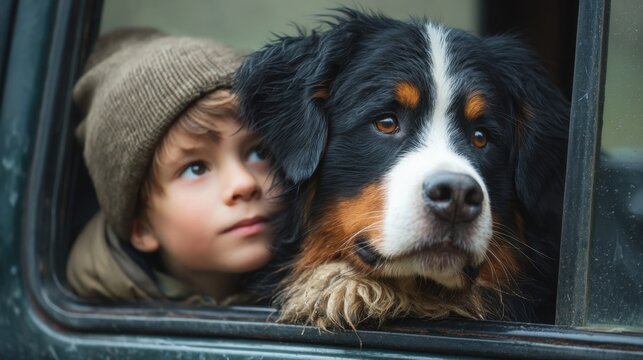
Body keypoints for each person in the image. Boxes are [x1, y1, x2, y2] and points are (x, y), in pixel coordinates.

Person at [66, 28, 281, 304]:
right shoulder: (88, 313)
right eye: (196, 168)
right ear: (142, 228)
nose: (244, 183)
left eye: (258, 152)